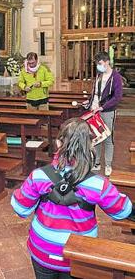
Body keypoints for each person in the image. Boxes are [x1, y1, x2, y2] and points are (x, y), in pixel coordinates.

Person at [11, 117, 132, 279]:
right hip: (78, 254)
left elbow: (20, 209)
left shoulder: (39, 176)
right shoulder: (98, 184)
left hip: (43, 249)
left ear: (59, 143)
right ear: (90, 146)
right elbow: (123, 212)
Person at [83, 51, 123, 177]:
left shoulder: (116, 77)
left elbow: (117, 97)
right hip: (95, 110)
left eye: (100, 63)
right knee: (97, 137)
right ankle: (97, 162)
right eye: (97, 64)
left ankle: (108, 164)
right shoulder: (99, 75)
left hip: (107, 111)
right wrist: (89, 103)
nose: (98, 66)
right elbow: (95, 93)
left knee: (107, 138)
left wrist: (103, 107)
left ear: (107, 62)